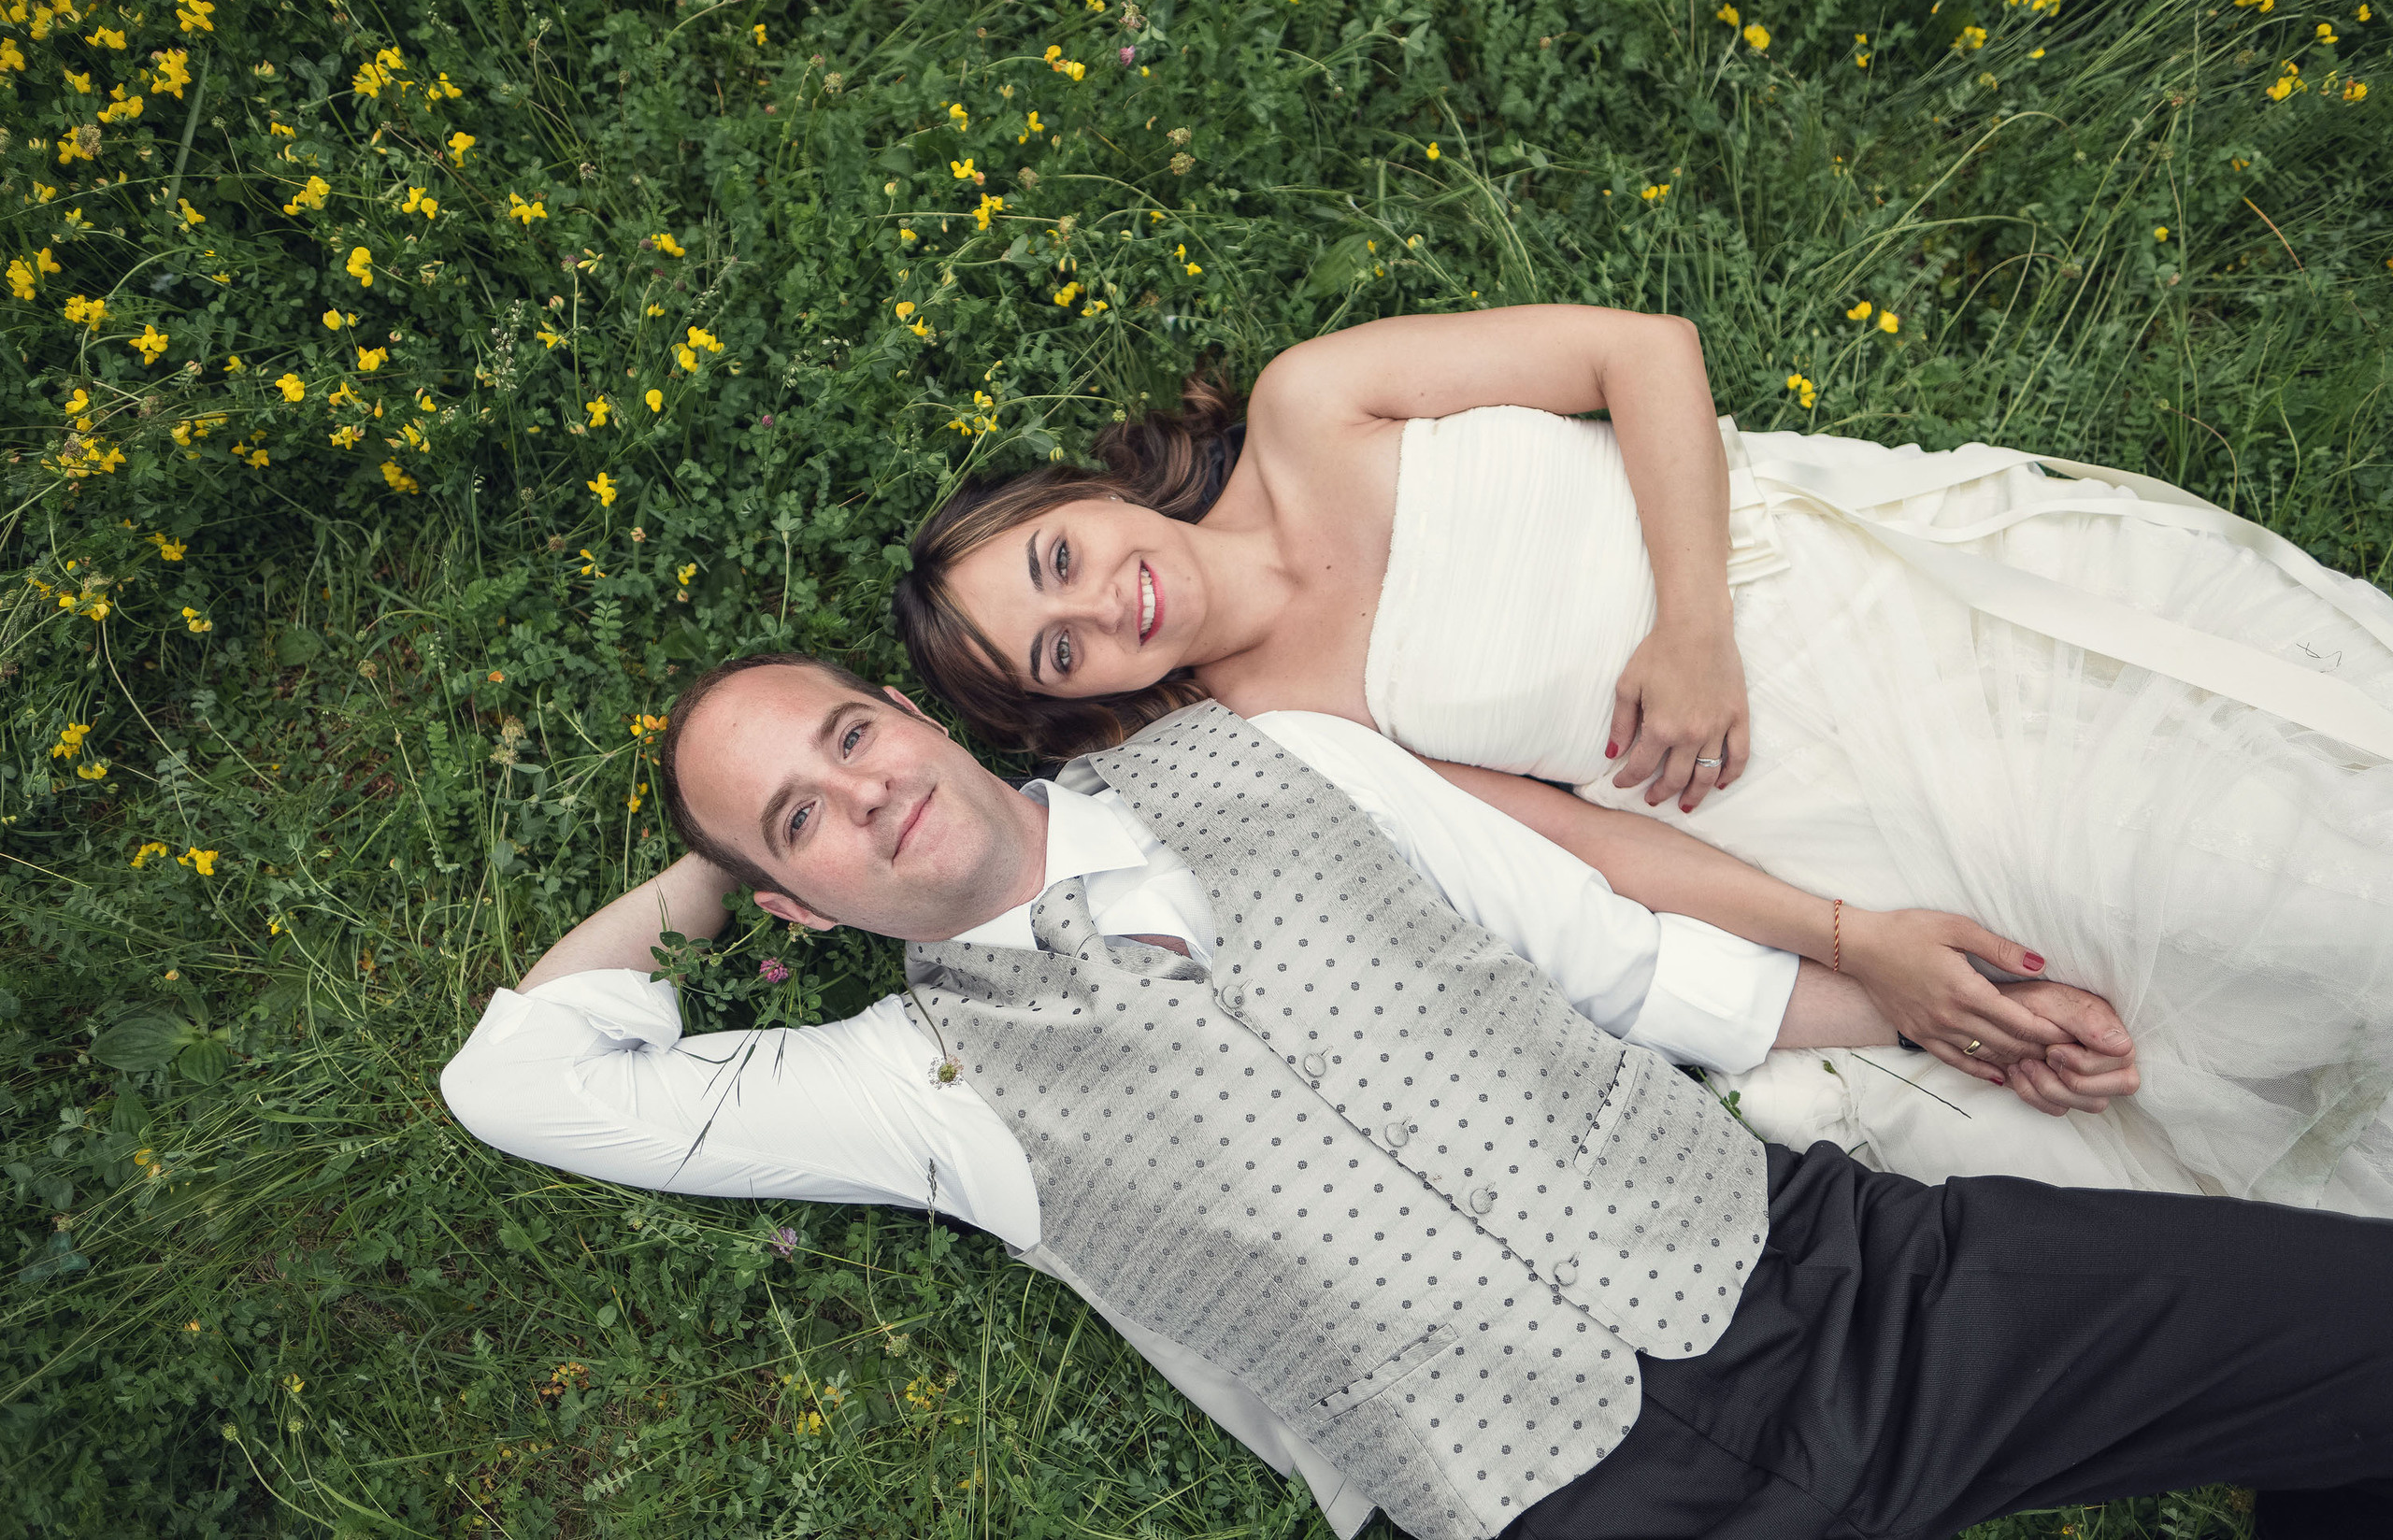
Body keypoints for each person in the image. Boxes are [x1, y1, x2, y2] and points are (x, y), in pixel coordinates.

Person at [439, 652, 2393, 1540]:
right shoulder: (908, 1079)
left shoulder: (1275, 759)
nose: (865, 788)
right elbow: (520, 1078)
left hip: (1847, 1285)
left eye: (848, 730)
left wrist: (1884, 990)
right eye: (802, 814)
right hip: (1572, 1501)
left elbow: (1607, 957)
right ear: (803, 895)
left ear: (916, 711)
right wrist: (689, 882)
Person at [894, 303, 2393, 1215]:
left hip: (1828, 596)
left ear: (1077, 498)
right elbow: (1578, 847)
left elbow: (1640, 353)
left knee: (2315, 840)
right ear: (1082, 707)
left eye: (1059, 560)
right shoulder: (1289, 731)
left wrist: (1693, 626)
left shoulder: (1314, 407)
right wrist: (1854, 937)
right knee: (2233, 951)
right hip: (1800, 804)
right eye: (1062, 651)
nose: (1101, 602)